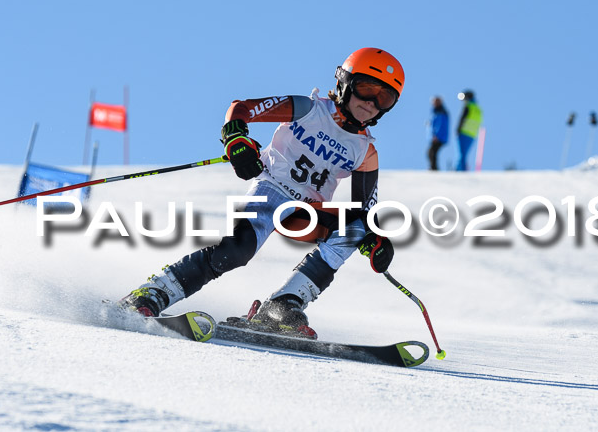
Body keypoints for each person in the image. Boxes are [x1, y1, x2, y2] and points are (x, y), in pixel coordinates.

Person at [120, 48, 404, 339]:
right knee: (238, 250)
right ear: (345, 82)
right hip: (271, 190)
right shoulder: (309, 108)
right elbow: (241, 109)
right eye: (366, 88)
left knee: (356, 228)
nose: (371, 102)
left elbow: (364, 211)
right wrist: (236, 138)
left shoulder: (366, 151)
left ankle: (281, 307)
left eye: (384, 98)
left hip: (305, 212)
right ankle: (153, 292)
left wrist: (375, 242)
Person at [455, 90, 482, 171]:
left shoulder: (468, 106)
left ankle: (460, 170)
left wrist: (458, 129)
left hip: (464, 132)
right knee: (464, 154)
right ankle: (462, 169)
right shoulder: (478, 109)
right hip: (472, 134)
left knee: (461, 154)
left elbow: (462, 118)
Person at [427, 96, 449, 170]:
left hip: (438, 137)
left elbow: (440, 125)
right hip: (436, 137)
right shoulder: (435, 112)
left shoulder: (441, 112)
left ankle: (434, 168)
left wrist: (436, 136)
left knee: (432, 152)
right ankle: (433, 168)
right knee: (431, 152)